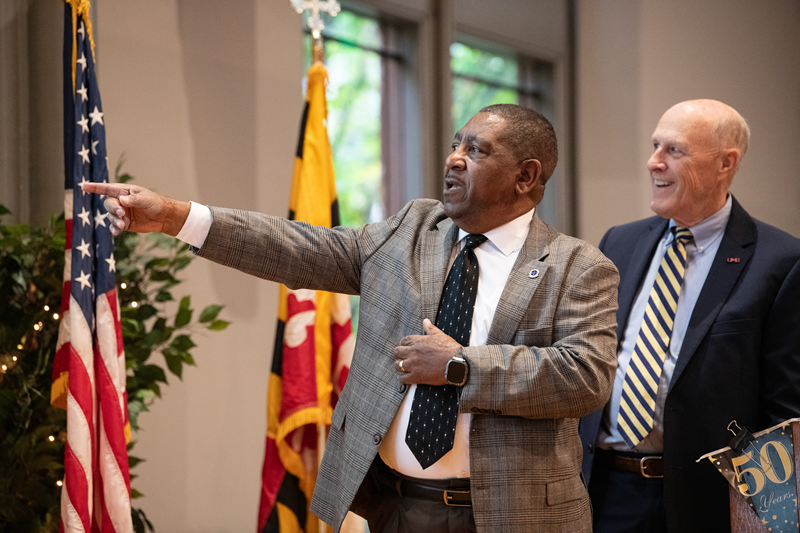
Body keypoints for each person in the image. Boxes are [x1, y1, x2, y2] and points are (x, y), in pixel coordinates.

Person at [86, 104, 619, 533]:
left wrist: (459, 365)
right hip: (396, 509)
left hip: (514, 517)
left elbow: (585, 376)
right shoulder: (412, 227)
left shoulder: (578, 266)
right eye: (456, 143)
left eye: (476, 150)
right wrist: (177, 217)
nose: (454, 158)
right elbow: (300, 248)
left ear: (526, 176)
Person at [579, 99, 800, 532]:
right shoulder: (617, 243)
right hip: (605, 491)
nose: (653, 163)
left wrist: (771, 519)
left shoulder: (781, 261)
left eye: (673, 151)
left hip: (709, 502)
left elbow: (784, 410)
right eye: (655, 146)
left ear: (725, 163)